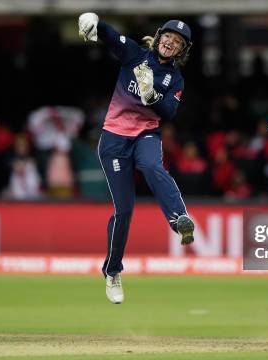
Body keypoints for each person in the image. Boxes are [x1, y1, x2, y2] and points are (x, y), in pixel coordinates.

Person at [78, 12, 195, 304]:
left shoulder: (175, 77)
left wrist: (152, 95)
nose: (171, 42)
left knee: (152, 165)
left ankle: (179, 219)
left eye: (178, 41)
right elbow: (110, 35)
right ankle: (113, 271)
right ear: (159, 37)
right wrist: (92, 21)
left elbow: (168, 112)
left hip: (146, 134)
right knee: (125, 210)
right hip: (115, 139)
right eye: (168, 36)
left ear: (182, 50)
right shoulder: (135, 55)